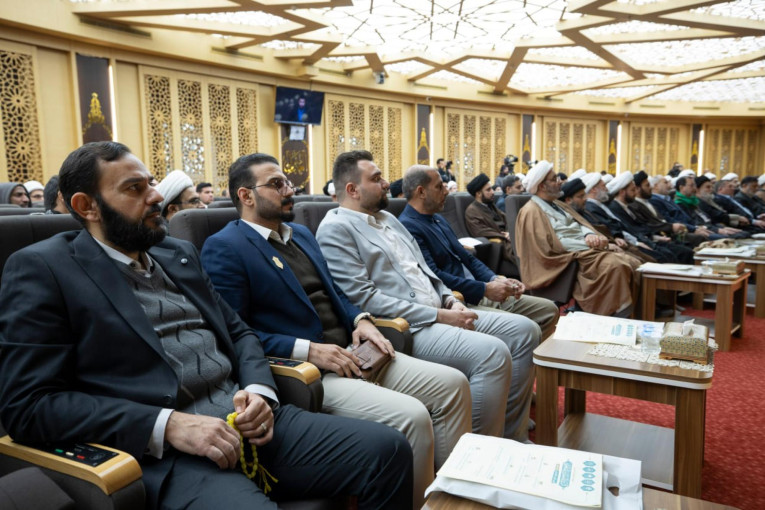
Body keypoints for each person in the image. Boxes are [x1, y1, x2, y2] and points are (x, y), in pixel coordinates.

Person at [0, 142, 413, 510]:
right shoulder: (43, 269)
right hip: (168, 456)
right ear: (87, 206)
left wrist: (258, 391)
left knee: (388, 449)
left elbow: (240, 332)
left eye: (151, 183)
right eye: (134, 189)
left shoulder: (176, 253)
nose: (155, 196)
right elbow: (28, 406)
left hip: (249, 423)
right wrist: (167, 425)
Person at [200, 153, 471, 507]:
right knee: (414, 417)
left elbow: (337, 292)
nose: (289, 190)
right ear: (245, 195)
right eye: (277, 184)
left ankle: (458, 497)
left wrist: (361, 320)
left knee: (454, 386)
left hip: (356, 352)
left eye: (288, 182)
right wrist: (308, 350)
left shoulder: (300, 234)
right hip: (309, 373)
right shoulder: (225, 247)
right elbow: (235, 333)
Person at [317, 150, 539, 442]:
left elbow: (425, 271)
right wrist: (441, 315)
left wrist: (451, 300)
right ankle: (483, 451)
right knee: (493, 354)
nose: (386, 184)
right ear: (352, 189)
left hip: (441, 308)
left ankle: (511, 433)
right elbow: (365, 299)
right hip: (408, 326)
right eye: (377, 178)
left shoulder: (387, 218)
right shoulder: (336, 229)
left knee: (525, 330)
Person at [399, 165, 559, 340]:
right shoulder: (408, 227)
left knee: (549, 310)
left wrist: (495, 279)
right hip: (459, 299)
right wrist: (484, 289)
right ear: (421, 192)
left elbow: (467, 258)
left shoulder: (437, 218)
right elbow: (433, 277)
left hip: (480, 287)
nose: (446, 191)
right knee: (527, 328)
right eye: (439, 187)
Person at [515, 161, 638, 317]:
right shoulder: (531, 211)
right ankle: (612, 317)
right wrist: (593, 244)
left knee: (633, 262)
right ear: (542, 186)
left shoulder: (558, 204)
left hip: (586, 249)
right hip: (566, 257)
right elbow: (549, 245)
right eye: (554, 179)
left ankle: (636, 315)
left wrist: (590, 235)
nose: (559, 182)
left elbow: (579, 224)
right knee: (615, 265)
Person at [464, 173, 516, 276]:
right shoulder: (472, 211)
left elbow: (507, 219)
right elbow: (479, 231)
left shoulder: (490, 205)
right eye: (488, 190)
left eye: (491, 188)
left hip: (508, 237)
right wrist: (503, 236)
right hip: (501, 243)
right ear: (478, 193)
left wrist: (509, 232)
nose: (493, 192)